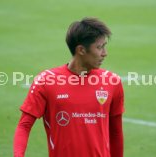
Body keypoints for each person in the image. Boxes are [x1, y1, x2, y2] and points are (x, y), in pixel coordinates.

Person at [13, 17, 124, 157]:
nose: (105, 53)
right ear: (81, 50)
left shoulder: (112, 82)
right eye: (99, 47)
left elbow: (116, 132)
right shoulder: (46, 81)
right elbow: (24, 125)